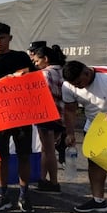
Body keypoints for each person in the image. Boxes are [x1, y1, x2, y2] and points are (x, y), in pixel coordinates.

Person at [0, 23, 36, 213]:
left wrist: (21, 77)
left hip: (21, 114)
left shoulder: (21, 57)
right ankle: (3, 195)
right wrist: (9, 79)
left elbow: (32, 80)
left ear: (9, 38)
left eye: (2, 38)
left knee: (23, 155)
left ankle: (24, 194)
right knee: (1, 157)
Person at [62, 61, 107, 213]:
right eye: (74, 85)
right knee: (94, 164)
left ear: (87, 72)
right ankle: (98, 201)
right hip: (94, 127)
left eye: (79, 83)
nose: (78, 87)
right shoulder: (68, 86)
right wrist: (70, 133)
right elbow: (70, 110)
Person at [33, 45, 67, 193]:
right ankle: (44, 179)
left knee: (48, 150)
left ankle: (52, 182)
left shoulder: (44, 74)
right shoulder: (64, 71)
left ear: (45, 59)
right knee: (49, 149)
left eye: (36, 61)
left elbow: (42, 96)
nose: (35, 64)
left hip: (47, 115)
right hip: (62, 116)